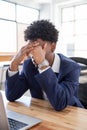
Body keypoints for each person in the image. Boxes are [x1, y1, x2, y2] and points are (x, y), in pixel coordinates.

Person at [5, 20, 83, 111]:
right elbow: (11, 95)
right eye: (30, 47)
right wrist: (14, 64)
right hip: (42, 112)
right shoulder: (29, 65)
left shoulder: (71, 68)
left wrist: (42, 64)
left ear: (53, 46)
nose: (32, 53)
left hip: (71, 113)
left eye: (37, 47)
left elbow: (60, 103)